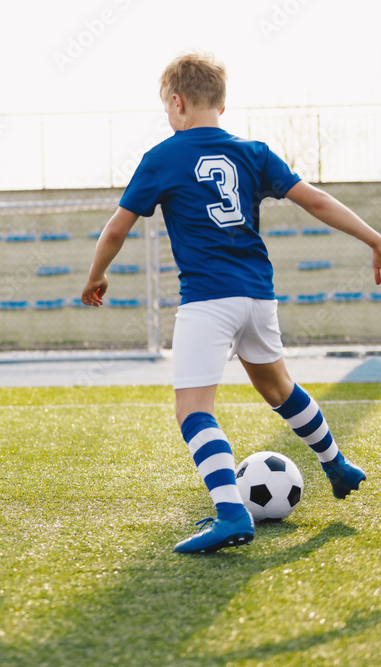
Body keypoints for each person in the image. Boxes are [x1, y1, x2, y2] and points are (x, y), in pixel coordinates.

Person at [81, 52, 379, 554]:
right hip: (258, 297)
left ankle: (230, 512)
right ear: (222, 101)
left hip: (207, 301)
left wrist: (97, 276)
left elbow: (116, 228)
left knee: (192, 410)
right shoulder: (254, 152)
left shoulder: (162, 157)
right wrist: (375, 239)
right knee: (279, 388)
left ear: (176, 103)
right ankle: (336, 463)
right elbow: (318, 202)